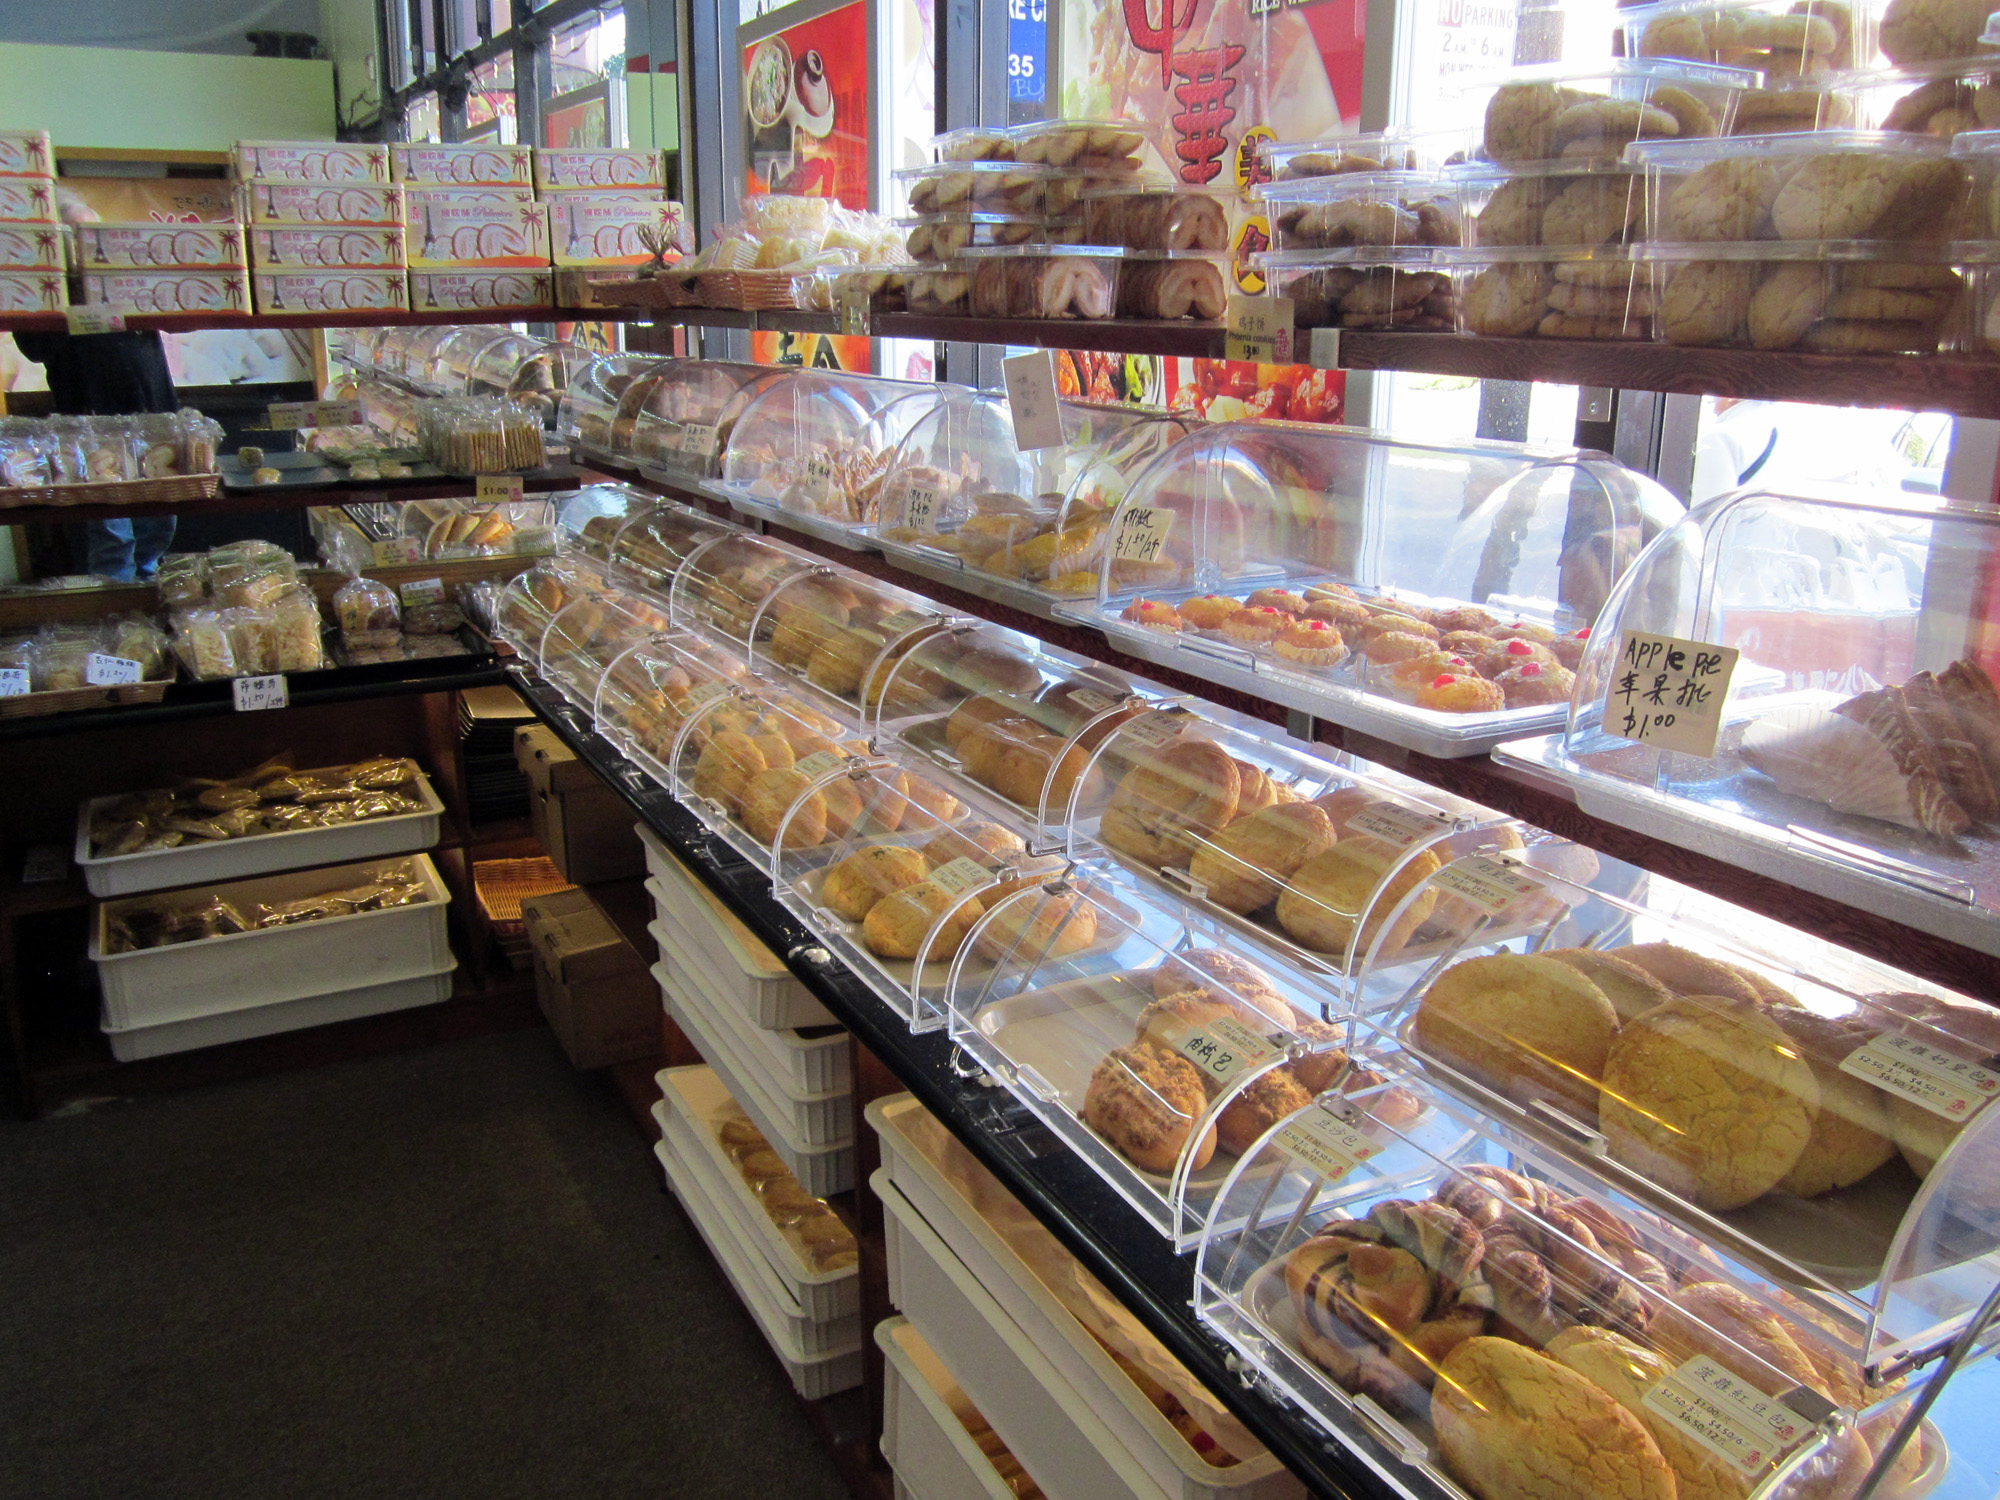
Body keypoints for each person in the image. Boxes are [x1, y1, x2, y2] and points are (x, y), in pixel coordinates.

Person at [13, 185, 181, 581]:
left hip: (153, 413)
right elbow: (33, 348)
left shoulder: (126, 276)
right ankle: (114, 603)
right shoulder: (43, 290)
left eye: (93, 235)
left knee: (160, 522)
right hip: (89, 425)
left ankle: (147, 590)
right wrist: (64, 306)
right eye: (76, 238)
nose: (88, 249)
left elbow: (177, 318)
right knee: (111, 535)